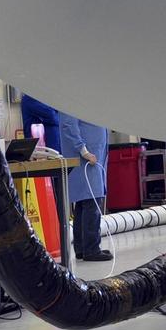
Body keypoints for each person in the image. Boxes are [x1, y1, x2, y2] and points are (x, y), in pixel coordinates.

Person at [58, 111, 111, 261]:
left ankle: (82, 248)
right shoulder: (70, 98)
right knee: (92, 202)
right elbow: (68, 124)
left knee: (84, 202)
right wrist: (84, 150)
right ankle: (92, 248)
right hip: (85, 158)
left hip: (94, 157)